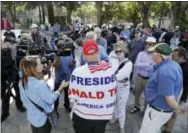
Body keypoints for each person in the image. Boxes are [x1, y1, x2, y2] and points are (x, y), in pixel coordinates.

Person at [69, 40, 117, 133]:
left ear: (85, 55)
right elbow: (112, 93)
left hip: (82, 115)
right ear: (98, 52)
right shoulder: (109, 71)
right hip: (102, 115)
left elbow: (72, 95)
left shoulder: (77, 72)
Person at [139, 43, 183, 133]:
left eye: (153, 53)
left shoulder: (165, 72)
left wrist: (177, 109)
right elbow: (180, 89)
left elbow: (169, 98)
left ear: (158, 55)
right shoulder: (174, 64)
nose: (151, 55)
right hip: (160, 110)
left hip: (157, 112)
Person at [18, 55, 69, 133]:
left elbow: (23, 100)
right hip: (42, 119)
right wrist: (60, 88)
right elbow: (51, 99)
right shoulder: (40, 84)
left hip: (32, 118)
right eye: (39, 64)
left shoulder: (21, 82)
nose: (42, 65)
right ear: (33, 68)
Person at [162, 47, 188, 133]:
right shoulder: (178, 64)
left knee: (173, 113)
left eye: (174, 57)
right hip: (173, 92)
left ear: (181, 58)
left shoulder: (184, 69)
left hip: (180, 95)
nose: (172, 58)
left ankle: (168, 130)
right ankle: (166, 122)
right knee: (169, 110)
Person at [109, 41, 133, 133]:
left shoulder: (128, 63)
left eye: (120, 51)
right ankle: (115, 117)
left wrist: (109, 77)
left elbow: (120, 76)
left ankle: (122, 126)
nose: (118, 53)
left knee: (121, 107)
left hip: (123, 87)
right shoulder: (114, 61)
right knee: (114, 103)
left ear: (124, 52)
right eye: (116, 51)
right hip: (115, 86)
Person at [1, 42, 26, 122]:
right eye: (3, 48)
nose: (5, 50)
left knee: (18, 91)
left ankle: (19, 105)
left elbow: (21, 60)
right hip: (4, 78)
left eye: (7, 48)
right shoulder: (3, 54)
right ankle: (5, 113)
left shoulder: (14, 54)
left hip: (14, 76)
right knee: (5, 96)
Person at [130, 37, 156, 114]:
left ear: (154, 45)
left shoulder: (155, 56)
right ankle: (136, 106)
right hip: (139, 77)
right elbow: (137, 65)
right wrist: (148, 65)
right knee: (137, 93)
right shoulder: (141, 54)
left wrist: (143, 65)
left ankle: (146, 110)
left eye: (150, 44)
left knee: (147, 96)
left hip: (149, 79)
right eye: (146, 43)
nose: (147, 45)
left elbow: (153, 67)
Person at [54, 38, 76, 114]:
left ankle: (67, 106)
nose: (61, 49)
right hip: (59, 79)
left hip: (67, 77)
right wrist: (57, 57)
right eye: (59, 47)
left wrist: (72, 63)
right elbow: (56, 66)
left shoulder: (69, 53)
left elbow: (72, 65)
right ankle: (55, 108)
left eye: (62, 46)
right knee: (57, 94)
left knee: (67, 94)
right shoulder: (55, 54)